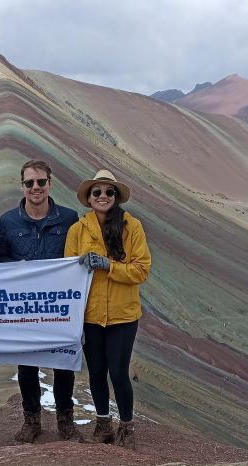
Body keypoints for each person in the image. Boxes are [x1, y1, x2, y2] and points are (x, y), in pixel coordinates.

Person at [0, 159, 83, 443]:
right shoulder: (8, 222)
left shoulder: (69, 218)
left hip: (60, 307)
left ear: (50, 183)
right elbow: (0, 260)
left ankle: (65, 421)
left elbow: (78, 258)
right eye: (30, 182)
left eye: (41, 182)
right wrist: (17, 267)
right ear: (22, 186)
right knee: (27, 365)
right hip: (25, 307)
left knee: (63, 362)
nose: (36, 187)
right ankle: (31, 420)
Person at [65, 169, 151, 449]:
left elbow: (141, 270)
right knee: (97, 371)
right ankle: (103, 424)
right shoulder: (77, 230)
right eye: (97, 192)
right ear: (89, 198)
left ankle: (127, 426)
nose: (103, 196)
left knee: (118, 371)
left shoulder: (132, 227)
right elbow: (68, 271)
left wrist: (108, 265)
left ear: (116, 197)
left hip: (123, 316)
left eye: (108, 192)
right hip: (90, 316)